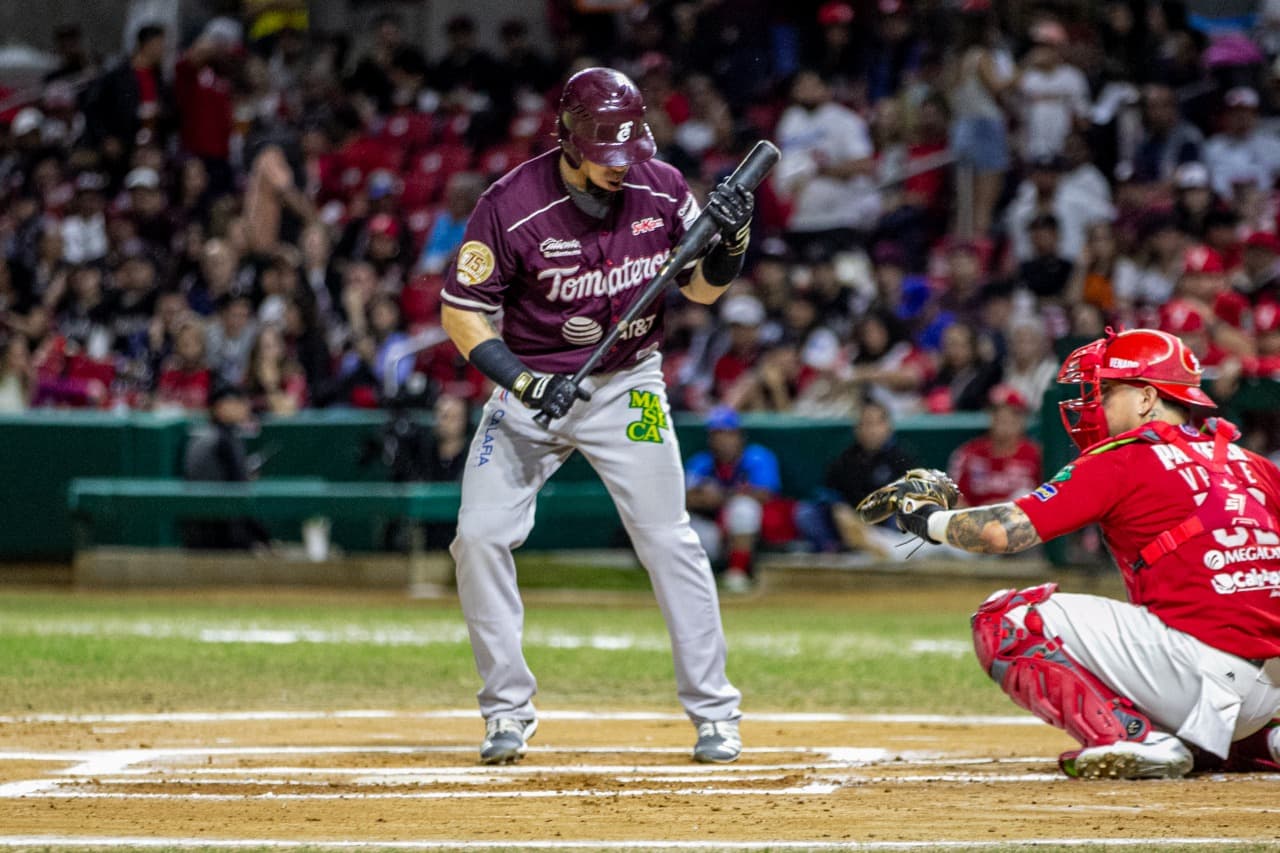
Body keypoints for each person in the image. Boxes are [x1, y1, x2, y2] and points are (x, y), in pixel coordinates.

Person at [439, 67, 751, 766]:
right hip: (530, 388)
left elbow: (699, 290)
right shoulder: (509, 205)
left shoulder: (663, 185)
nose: (619, 170)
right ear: (567, 139)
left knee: (670, 538)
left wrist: (730, 242)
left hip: (628, 384)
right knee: (478, 536)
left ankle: (715, 712)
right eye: (605, 157)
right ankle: (506, 712)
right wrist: (520, 381)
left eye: (627, 153)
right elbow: (461, 310)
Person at [891, 328, 1280, 779]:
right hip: (1269, 687)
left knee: (1005, 619)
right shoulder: (1251, 463)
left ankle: (1132, 738)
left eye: (1109, 390)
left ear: (1147, 398)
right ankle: (1267, 738)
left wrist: (926, 519)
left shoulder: (1124, 457)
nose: (1096, 403)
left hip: (1199, 675)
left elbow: (1000, 534)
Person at [685, 407, 787, 592]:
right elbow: (684, 499)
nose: (723, 440)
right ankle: (693, 583)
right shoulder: (701, 462)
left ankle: (737, 572)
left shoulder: (757, 456)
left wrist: (721, 496)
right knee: (685, 529)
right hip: (713, 527)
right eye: (718, 434)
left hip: (753, 530)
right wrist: (704, 499)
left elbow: (765, 494)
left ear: (739, 436)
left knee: (743, 508)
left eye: (729, 434)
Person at [181, 381, 271, 550]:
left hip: (197, 534)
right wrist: (264, 539)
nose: (244, 406)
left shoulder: (207, 435)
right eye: (237, 401)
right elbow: (239, 495)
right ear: (220, 407)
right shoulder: (223, 439)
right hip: (219, 536)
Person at [948, 384, 1042, 508]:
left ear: (1022, 420)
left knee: (1023, 494)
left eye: (1012, 413)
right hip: (977, 521)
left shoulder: (1036, 454)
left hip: (1022, 521)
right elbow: (954, 498)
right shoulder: (969, 453)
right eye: (997, 412)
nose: (1003, 417)